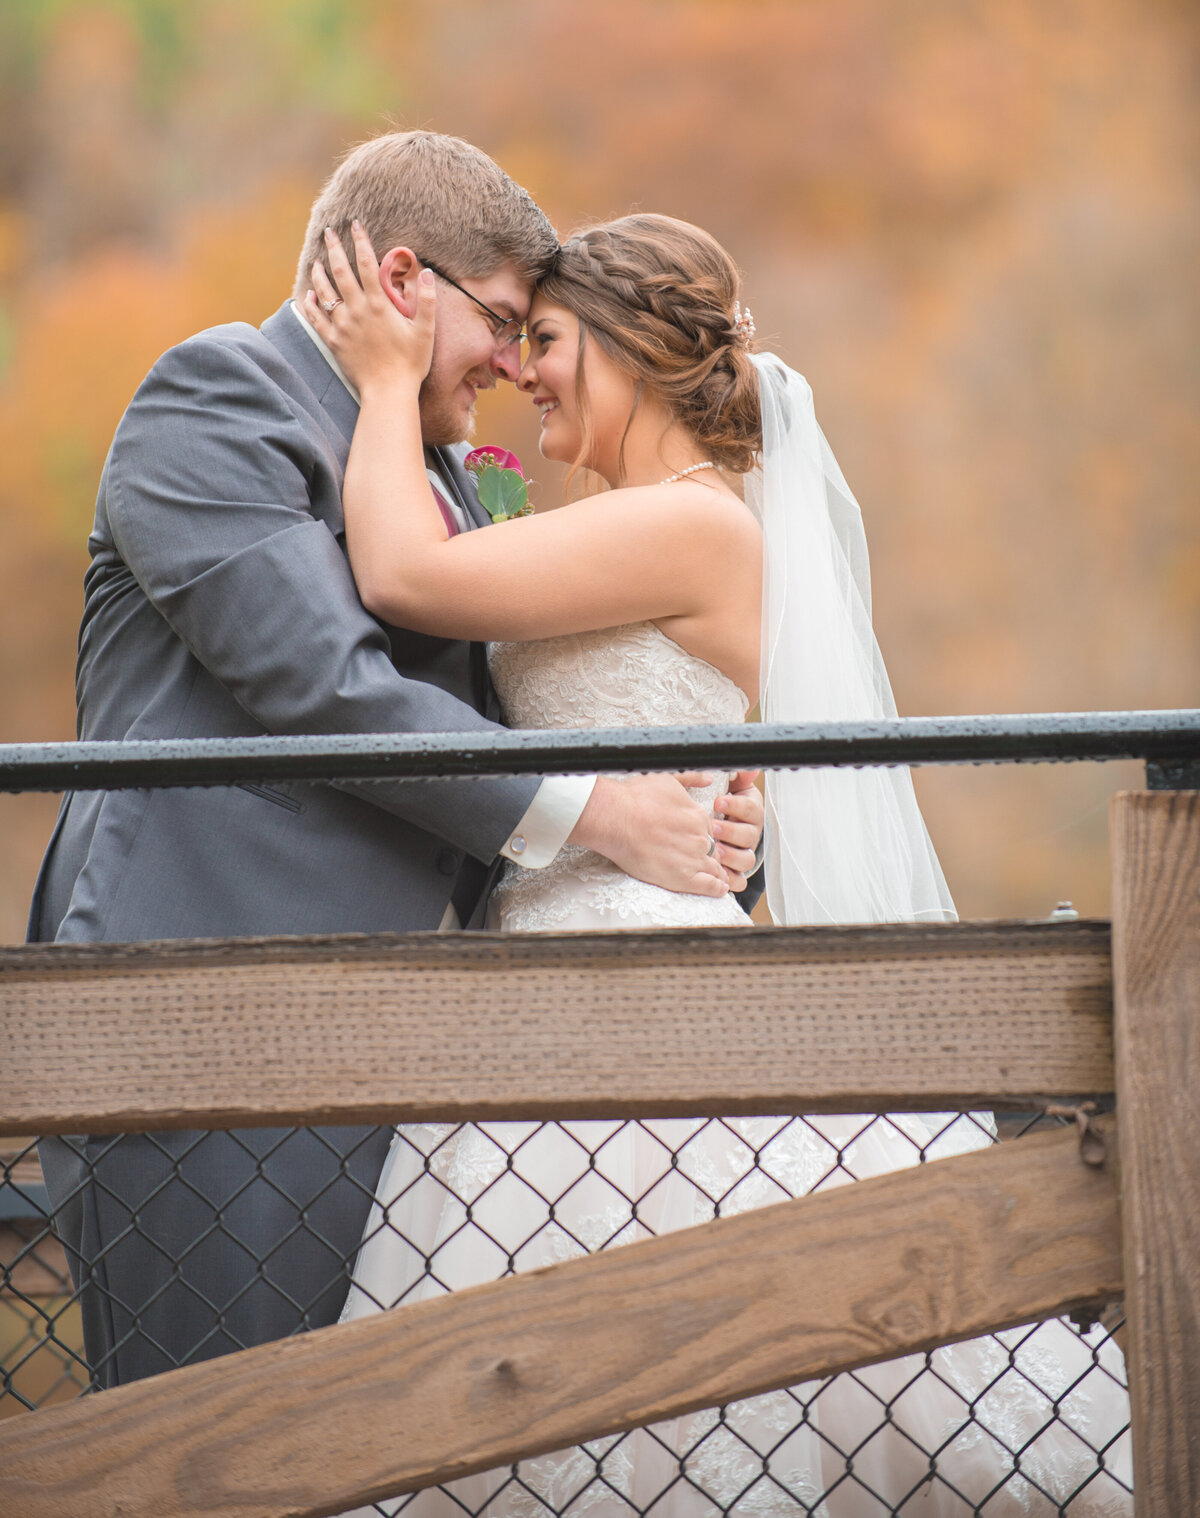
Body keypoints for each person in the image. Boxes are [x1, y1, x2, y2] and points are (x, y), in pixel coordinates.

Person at [306, 213, 1133, 1515]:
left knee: (635, 1362)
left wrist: (384, 378)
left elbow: (406, 573)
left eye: (552, 341)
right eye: (517, 343)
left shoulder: (688, 525)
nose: (526, 371)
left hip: (628, 986)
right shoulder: (648, 524)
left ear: (635, 349)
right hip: (549, 968)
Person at [27, 131, 765, 1390]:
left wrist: (713, 821)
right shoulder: (217, 397)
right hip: (203, 1028)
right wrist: (601, 814)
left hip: (412, 1060)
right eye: (506, 322)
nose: (512, 362)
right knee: (208, 1437)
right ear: (408, 281)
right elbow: (321, 685)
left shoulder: (428, 471)